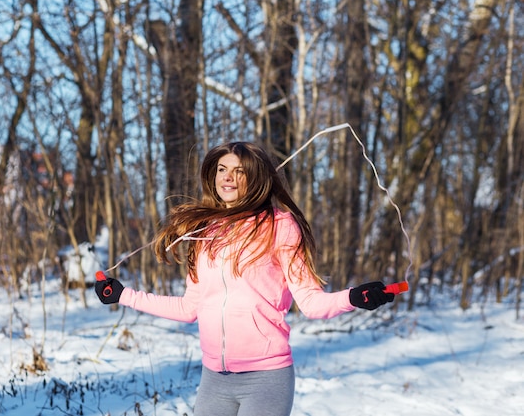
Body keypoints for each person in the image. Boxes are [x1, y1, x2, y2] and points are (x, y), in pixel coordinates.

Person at [95, 141, 395, 416]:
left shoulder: (281, 225)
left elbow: (311, 302)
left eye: (239, 172)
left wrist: (355, 297)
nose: (227, 177)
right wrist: (123, 295)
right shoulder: (204, 231)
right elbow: (190, 308)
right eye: (222, 169)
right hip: (214, 379)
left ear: (255, 178)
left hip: (266, 379)